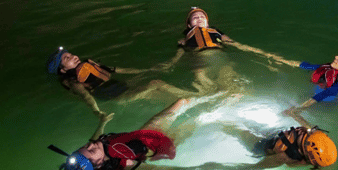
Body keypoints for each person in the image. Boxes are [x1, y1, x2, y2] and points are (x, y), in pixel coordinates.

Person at [47, 98, 191, 170]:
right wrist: (192, 169)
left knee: (182, 104)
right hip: (160, 143)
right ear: (99, 164)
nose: (90, 145)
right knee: (188, 115)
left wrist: (102, 122)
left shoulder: (97, 148)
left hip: (149, 132)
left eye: (85, 146)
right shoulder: (124, 163)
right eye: (90, 150)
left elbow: (96, 138)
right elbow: (152, 169)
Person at [141, 113, 338, 170]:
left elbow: (250, 168)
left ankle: (166, 143)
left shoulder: (282, 157)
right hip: (272, 134)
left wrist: (217, 166)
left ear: (301, 149)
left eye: (302, 134)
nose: (301, 130)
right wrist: (293, 113)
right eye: (307, 132)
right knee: (238, 118)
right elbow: (307, 128)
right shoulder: (310, 137)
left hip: (259, 144)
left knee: (225, 123)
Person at [46, 46, 214, 115]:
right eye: (67, 58)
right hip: (115, 97)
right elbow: (87, 97)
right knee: (156, 84)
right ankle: (201, 95)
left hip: (118, 86)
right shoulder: (74, 82)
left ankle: (199, 108)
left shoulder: (88, 65)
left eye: (70, 53)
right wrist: (99, 114)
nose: (73, 56)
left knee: (162, 97)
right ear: (62, 69)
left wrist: (147, 69)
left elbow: (116, 70)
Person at [265, 43, 338, 114]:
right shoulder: (331, 68)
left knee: (312, 108)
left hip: (325, 103)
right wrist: (275, 58)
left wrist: (297, 110)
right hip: (319, 92)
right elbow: (308, 66)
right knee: (301, 96)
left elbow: (323, 95)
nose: (336, 56)